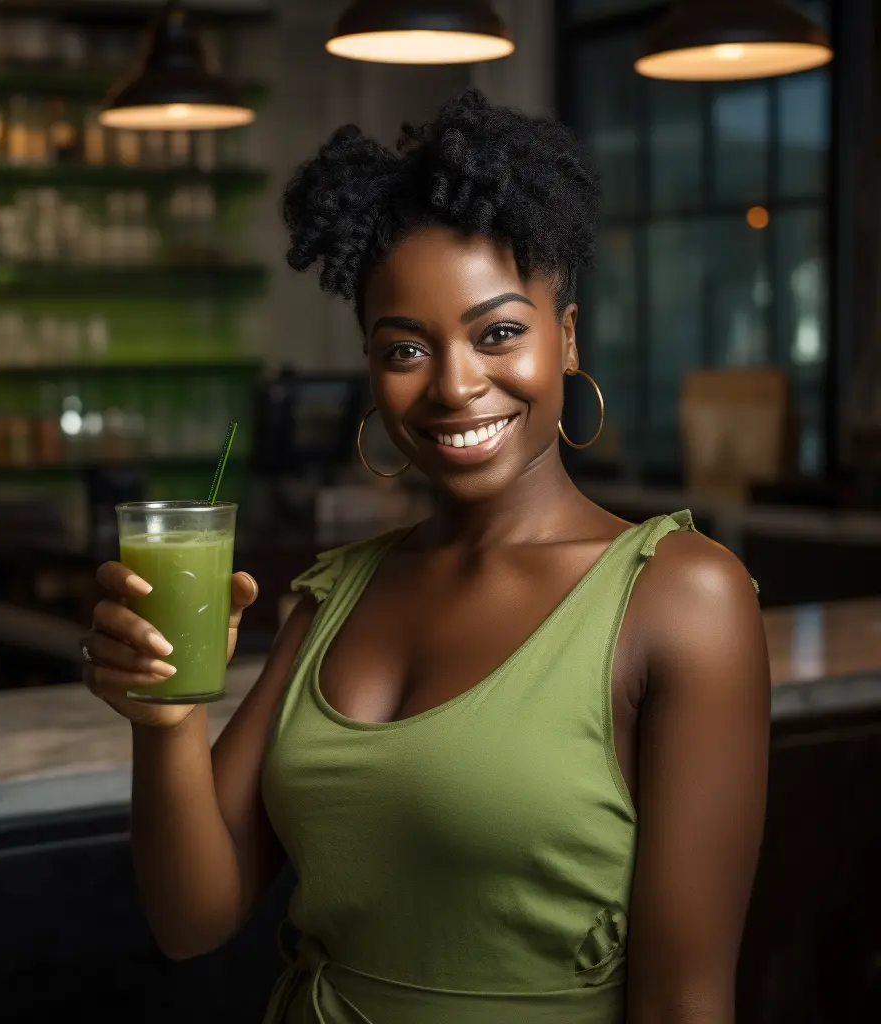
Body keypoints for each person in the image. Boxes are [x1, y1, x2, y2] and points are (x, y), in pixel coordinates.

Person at [82, 89, 771, 1024]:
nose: (453, 385)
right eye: (406, 347)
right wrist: (161, 719)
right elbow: (191, 920)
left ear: (564, 338)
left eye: (498, 333)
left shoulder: (682, 597)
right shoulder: (334, 594)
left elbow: (687, 1000)